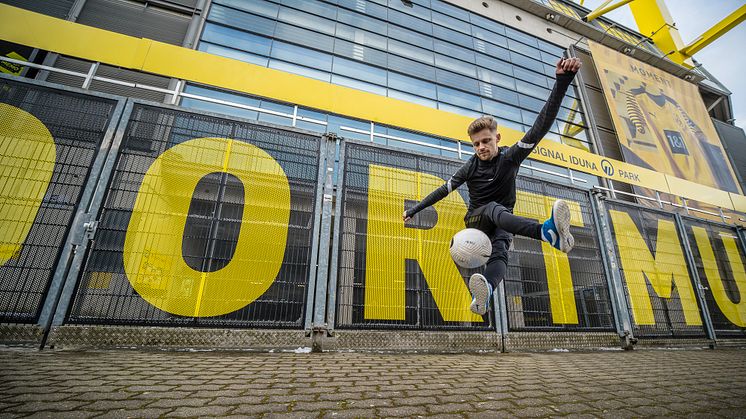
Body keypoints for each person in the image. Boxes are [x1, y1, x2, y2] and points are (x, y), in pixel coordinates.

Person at [402, 56, 582, 316]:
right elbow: (443, 190)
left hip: (502, 222)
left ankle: (485, 293)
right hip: (476, 221)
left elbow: (540, 126)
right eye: (476, 144)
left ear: (497, 138)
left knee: (500, 253)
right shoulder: (470, 166)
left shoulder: (510, 158)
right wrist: (415, 209)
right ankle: (546, 233)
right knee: (493, 208)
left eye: (486, 141)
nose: (481, 148)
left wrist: (563, 81)